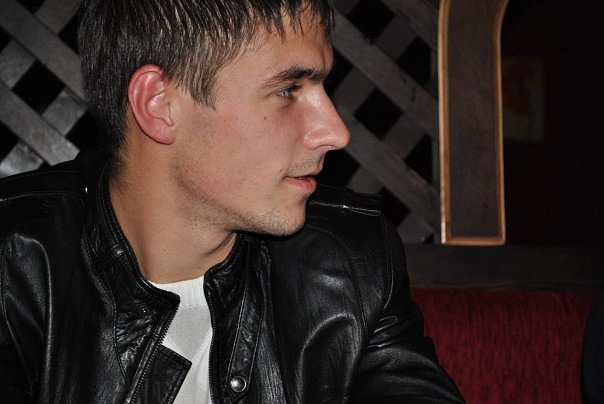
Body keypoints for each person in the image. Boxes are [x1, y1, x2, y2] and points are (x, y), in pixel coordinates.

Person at [0, 0, 464, 402]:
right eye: (287, 90)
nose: (336, 132)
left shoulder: (349, 264)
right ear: (159, 104)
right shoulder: (17, 268)